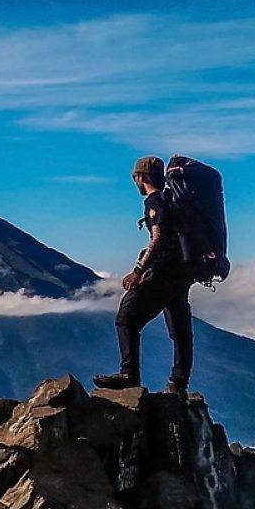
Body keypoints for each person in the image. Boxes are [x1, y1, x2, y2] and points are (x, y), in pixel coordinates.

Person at [93, 156, 194, 396]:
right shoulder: (174, 199)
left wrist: (138, 271)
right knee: (179, 330)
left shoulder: (155, 201)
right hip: (182, 273)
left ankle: (129, 374)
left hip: (160, 272)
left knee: (126, 319)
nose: (134, 182)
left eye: (134, 177)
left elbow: (157, 238)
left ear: (141, 177)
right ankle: (179, 382)